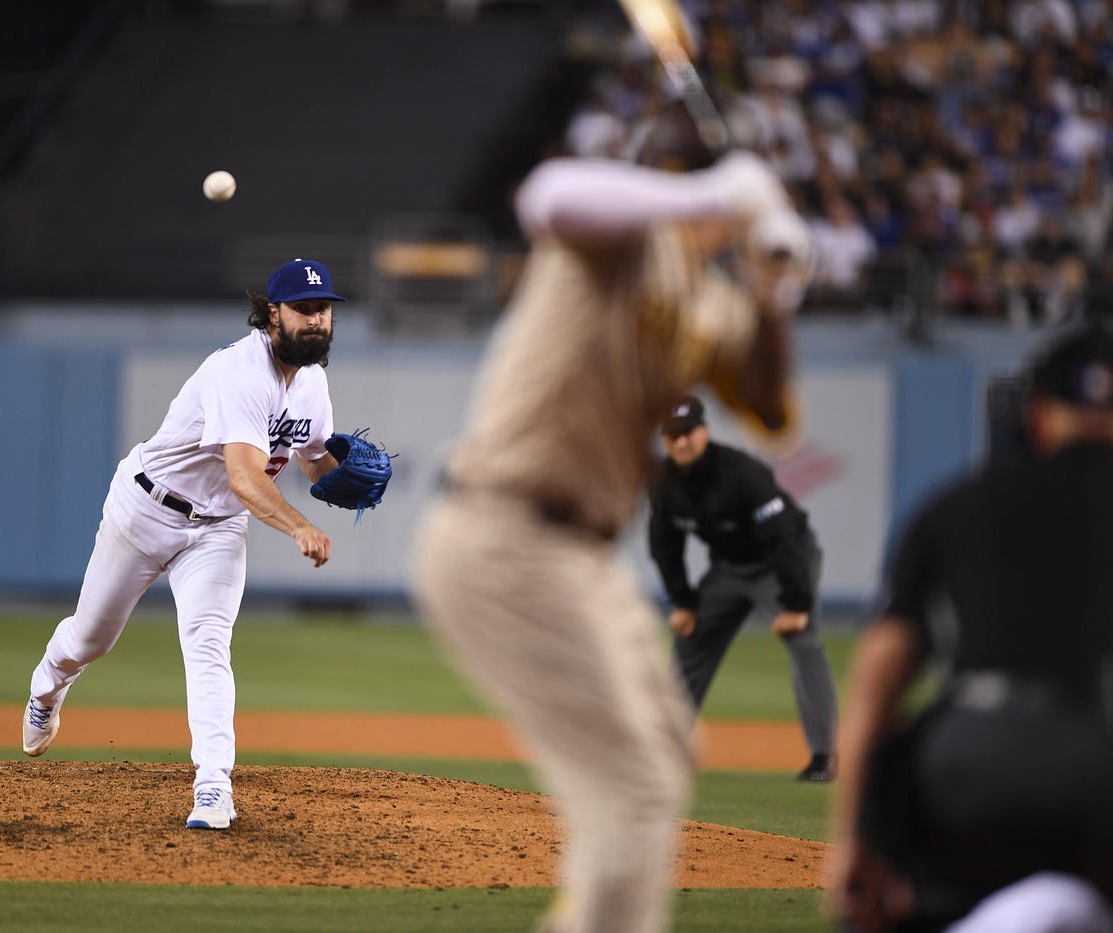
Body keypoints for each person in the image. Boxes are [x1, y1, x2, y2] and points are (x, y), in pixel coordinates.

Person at [411, 99, 817, 933]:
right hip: (506, 532)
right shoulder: (620, 236)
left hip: (580, 555)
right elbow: (549, 196)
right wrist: (713, 196)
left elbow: (773, 408)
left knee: (665, 751)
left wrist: (776, 297)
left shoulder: (707, 298)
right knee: (634, 784)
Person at [22, 258, 347, 831]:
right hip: (146, 508)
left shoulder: (313, 384)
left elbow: (315, 461)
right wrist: (298, 526)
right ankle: (47, 687)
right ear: (273, 314)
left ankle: (213, 787)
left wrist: (344, 477)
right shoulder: (238, 372)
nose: (316, 321)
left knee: (208, 645)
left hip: (218, 528)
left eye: (323, 310)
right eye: (303, 310)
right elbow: (247, 478)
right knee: (91, 638)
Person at [829, 321, 1113, 932]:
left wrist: (851, 837)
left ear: (1037, 416)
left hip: (976, 767)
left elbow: (876, 686)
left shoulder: (957, 503)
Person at [647, 393, 840, 783]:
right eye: (672, 435)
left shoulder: (742, 473)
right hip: (729, 570)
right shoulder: (664, 482)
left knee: (804, 642)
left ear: (704, 431)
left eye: (688, 432)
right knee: (690, 641)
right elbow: (664, 543)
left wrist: (796, 602)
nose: (681, 442)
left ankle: (826, 755)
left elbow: (784, 535)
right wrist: (682, 600)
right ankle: (662, 754)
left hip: (781, 562)